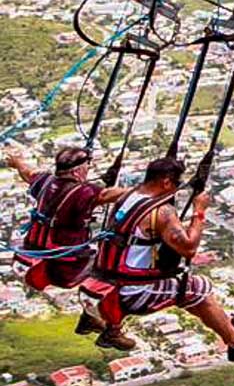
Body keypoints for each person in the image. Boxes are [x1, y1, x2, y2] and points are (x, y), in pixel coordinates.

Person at [94, 156, 234, 361]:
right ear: (166, 182)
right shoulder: (161, 212)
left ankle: (227, 323)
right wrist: (199, 211)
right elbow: (189, 248)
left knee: (187, 291)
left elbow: (104, 195)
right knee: (199, 288)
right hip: (134, 291)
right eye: (176, 184)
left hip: (109, 280)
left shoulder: (128, 196)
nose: (176, 189)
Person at [4, 145, 136, 351]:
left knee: (103, 260)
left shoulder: (46, 182)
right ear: (77, 170)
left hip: (35, 260)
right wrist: (150, 189)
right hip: (66, 266)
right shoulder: (84, 192)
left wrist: (16, 161)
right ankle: (112, 331)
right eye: (87, 167)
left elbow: (28, 172)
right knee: (114, 272)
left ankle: (90, 319)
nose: (88, 171)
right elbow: (113, 195)